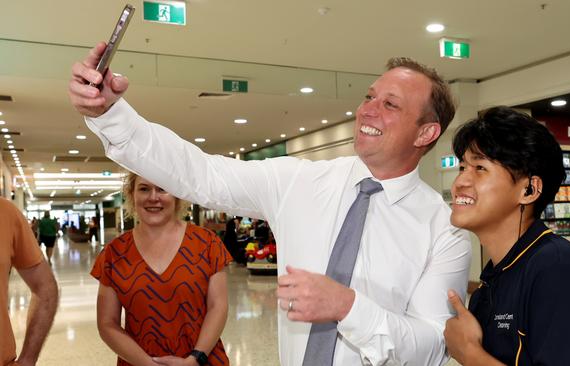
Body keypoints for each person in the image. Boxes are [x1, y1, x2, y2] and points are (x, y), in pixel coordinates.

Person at [69, 43, 471, 365]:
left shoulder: (444, 228)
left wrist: (350, 308)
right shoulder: (301, 181)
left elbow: (432, 346)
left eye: (390, 104)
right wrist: (111, 114)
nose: (366, 109)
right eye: (369, 96)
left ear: (426, 133)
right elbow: (201, 174)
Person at [443, 107, 570, 365]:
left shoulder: (559, 273)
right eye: (462, 167)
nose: (459, 182)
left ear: (529, 190)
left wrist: (470, 354)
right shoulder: (494, 280)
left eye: (479, 167)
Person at [90, 172, 232, 366]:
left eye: (162, 188)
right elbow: (107, 323)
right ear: (132, 194)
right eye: (144, 189)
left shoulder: (207, 243)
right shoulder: (115, 253)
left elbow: (218, 306)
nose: (153, 197)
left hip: (203, 360)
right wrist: (148, 364)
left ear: (176, 194)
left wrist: (195, 359)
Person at [0, 197, 59, 365]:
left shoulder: (5, 212)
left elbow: (45, 287)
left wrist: (27, 360)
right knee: (49, 248)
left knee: (48, 248)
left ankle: (48, 257)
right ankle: (49, 256)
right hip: (50, 235)